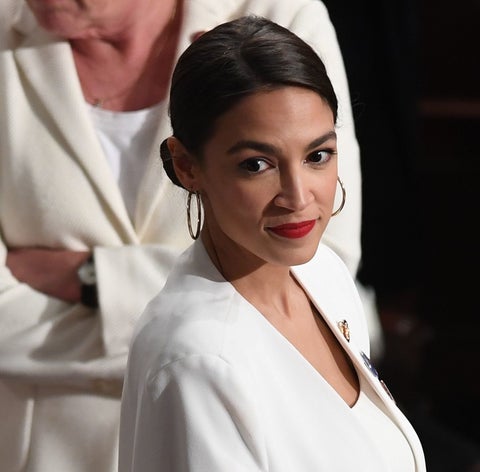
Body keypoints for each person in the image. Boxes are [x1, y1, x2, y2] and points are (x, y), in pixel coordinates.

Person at [0, 1, 362, 471]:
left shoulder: (276, 15)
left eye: (315, 157)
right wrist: (184, 348)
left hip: (258, 437)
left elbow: (315, 256)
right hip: (43, 453)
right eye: (256, 163)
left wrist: (95, 281)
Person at [118, 15, 425, 471]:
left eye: (317, 156)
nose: (299, 197)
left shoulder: (324, 274)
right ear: (186, 165)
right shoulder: (198, 359)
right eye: (257, 164)